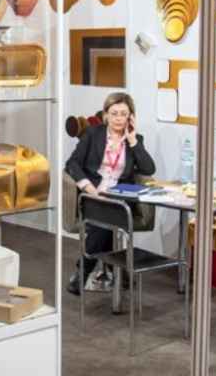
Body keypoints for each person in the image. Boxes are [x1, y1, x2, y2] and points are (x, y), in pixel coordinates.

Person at [65, 92, 156, 295]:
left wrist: (133, 141)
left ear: (131, 117)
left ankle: (84, 270)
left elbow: (149, 169)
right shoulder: (93, 134)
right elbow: (72, 163)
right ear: (106, 114)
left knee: (105, 222)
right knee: (105, 221)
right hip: (93, 195)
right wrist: (89, 188)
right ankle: (117, 269)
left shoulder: (135, 139)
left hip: (119, 198)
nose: (118, 118)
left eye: (124, 114)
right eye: (114, 113)